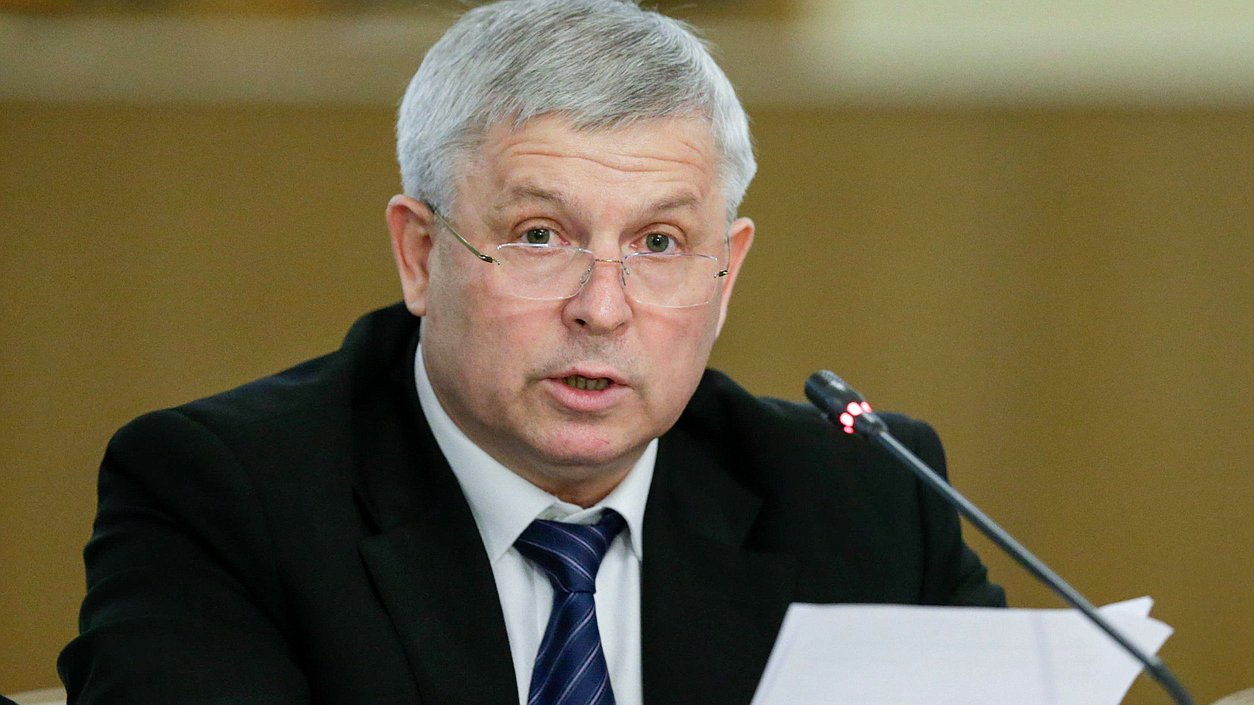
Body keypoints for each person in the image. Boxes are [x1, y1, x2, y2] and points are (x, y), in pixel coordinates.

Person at [58, 1, 1004, 703]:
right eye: (540, 235)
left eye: (660, 243)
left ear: (727, 274)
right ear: (419, 253)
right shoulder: (225, 499)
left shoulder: (869, 503)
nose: (602, 308)